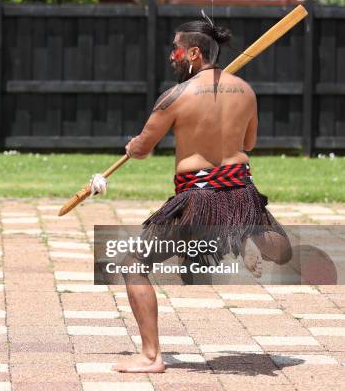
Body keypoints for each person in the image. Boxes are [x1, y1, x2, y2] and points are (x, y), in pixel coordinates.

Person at [90, 19, 291, 373]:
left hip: (198, 200)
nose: (172, 56)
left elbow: (143, 148)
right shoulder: (245, 90)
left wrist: (134, 145)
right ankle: (250, 235)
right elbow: (249, 144)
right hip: (242, 192)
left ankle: (151, 357)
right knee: (283, 250)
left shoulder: (174, 98)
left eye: (175, 48)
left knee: (132, 265)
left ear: (194, 53)